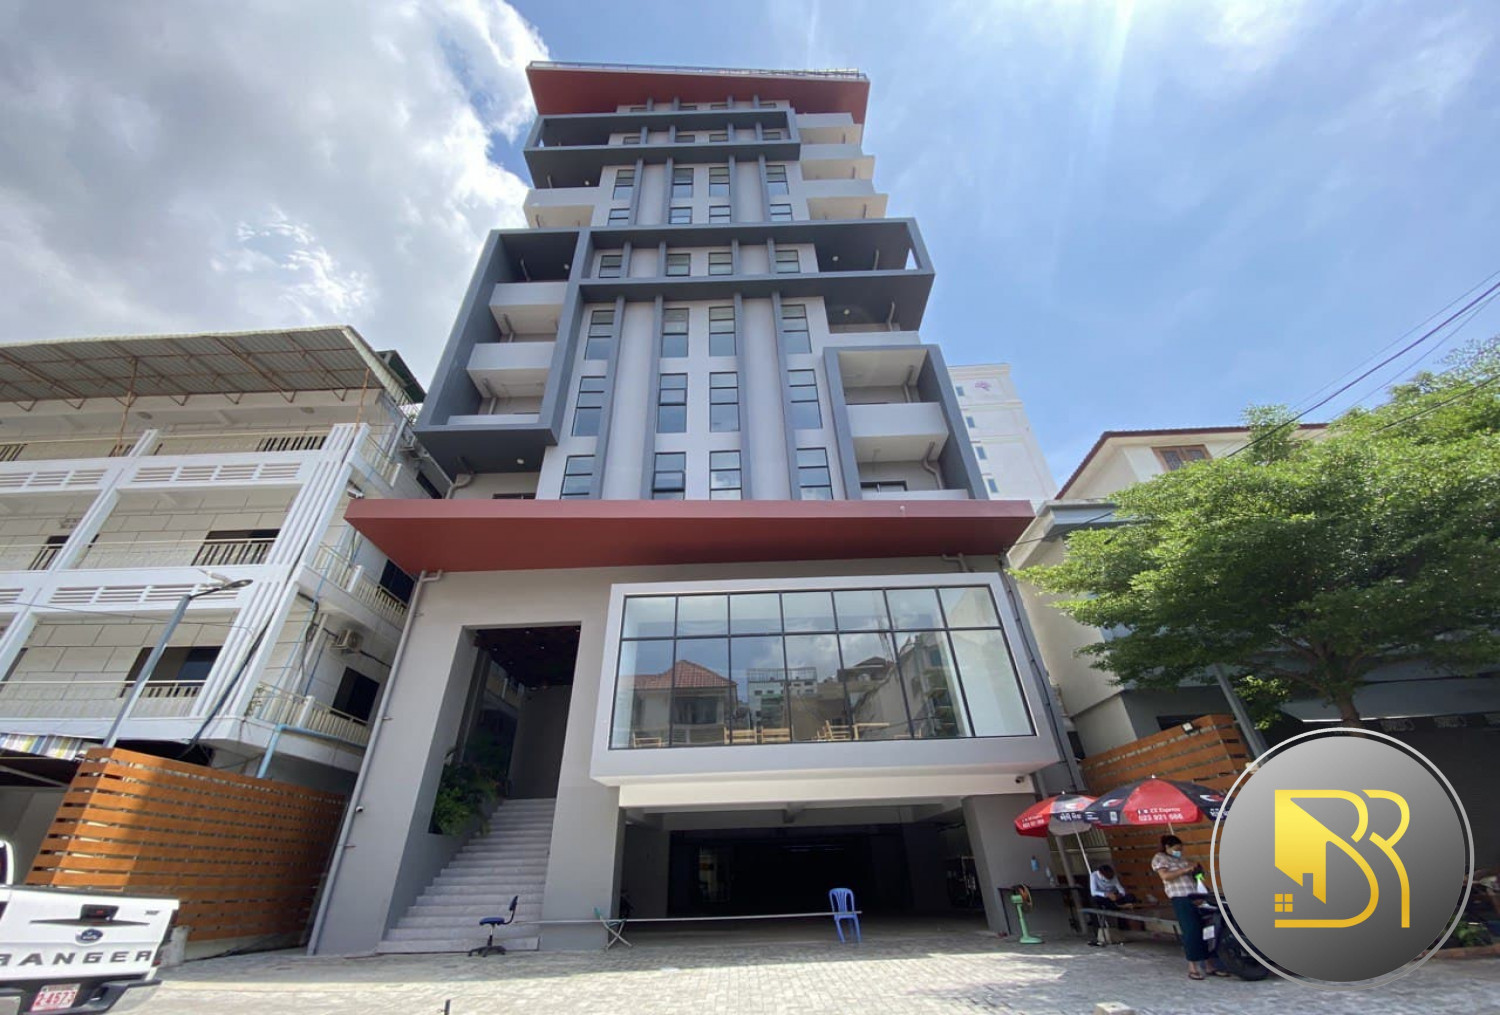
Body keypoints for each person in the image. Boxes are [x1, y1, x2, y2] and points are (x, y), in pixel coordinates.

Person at [1152, 834, 1227, 980]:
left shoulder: (1183, 860)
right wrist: (1185, 870)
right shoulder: (1160, 858)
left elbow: (1195, 877)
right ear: (1167, 847)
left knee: (1206, 930)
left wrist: (1197, 873)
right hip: (1181, 898)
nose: (1179, 852)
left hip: (1196, 896)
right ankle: (1193, 967)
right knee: (1191, 931)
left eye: (1180, 849)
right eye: (1176, 849)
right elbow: (1165, 876)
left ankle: (1210, 964)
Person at [1087, 864, 1137, 946]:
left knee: (1131, 896)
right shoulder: (1094, 876)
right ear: (1101, 874)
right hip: (1102, 897)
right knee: (1094, 900)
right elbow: (1093, 892)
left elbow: (1121, 890)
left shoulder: (1113, 877)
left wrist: (1117, 896)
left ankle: (1118, 906)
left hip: (1113, 897)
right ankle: (1119, 906)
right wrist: (1106, 895)